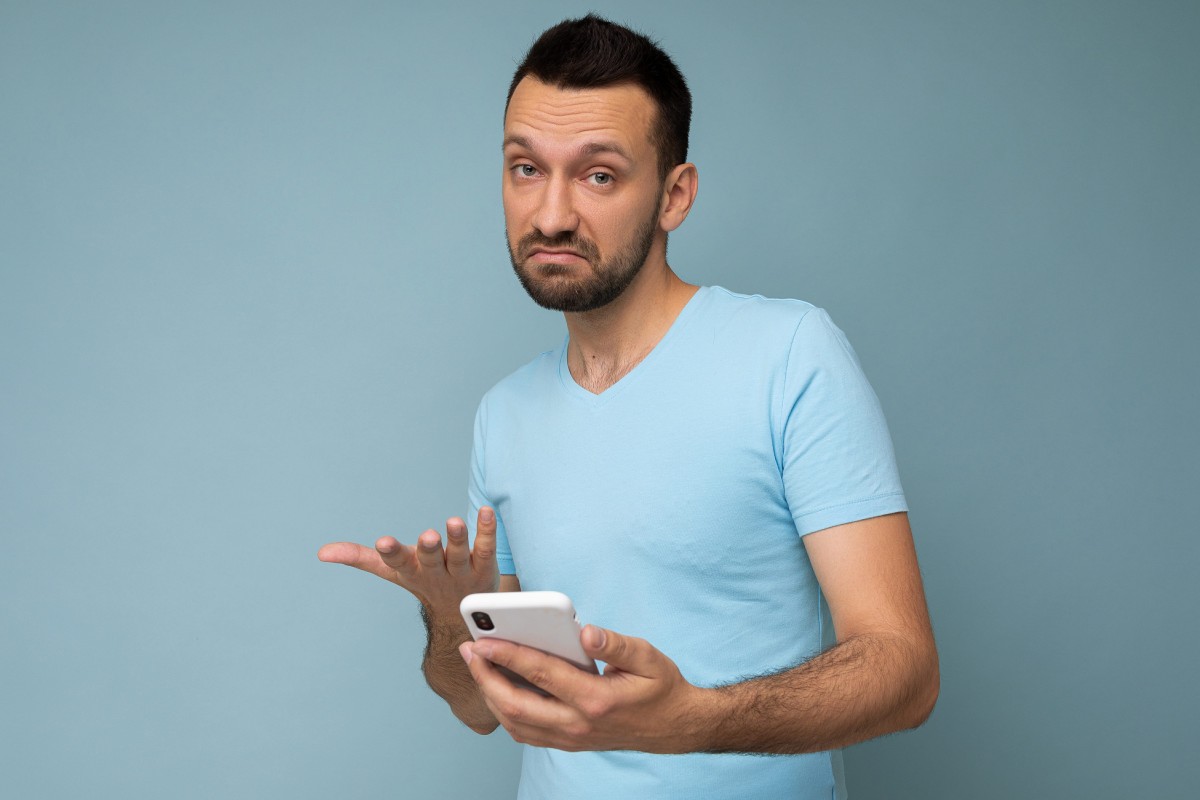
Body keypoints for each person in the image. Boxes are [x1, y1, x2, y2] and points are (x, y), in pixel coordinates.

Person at [319, 14, 938, 799]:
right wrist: (450, 622)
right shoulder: (503, 416)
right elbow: (478, 709)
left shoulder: (789, 355)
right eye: (525, 169)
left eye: (599, 176)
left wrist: (694, 721)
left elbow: (905, 670)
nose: (550, 215)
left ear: (675, 195)